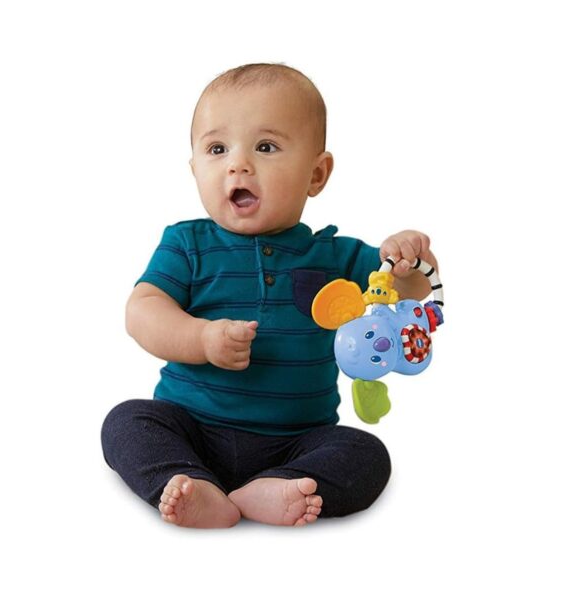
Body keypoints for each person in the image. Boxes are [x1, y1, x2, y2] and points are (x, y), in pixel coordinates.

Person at [101, 63, 439, 528]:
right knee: (126, 422)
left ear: (316, 175)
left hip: (298, 439)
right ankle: (189, 483)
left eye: (265, 147)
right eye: (217, 149)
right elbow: (142, 312)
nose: (237, 164)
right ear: (195, 169)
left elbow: (412, 291)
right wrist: (201, 339)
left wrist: (411, 259)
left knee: (367, 454)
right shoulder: (186, 244)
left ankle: (277, 486)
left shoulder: (336, 256)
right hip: (191, 428)